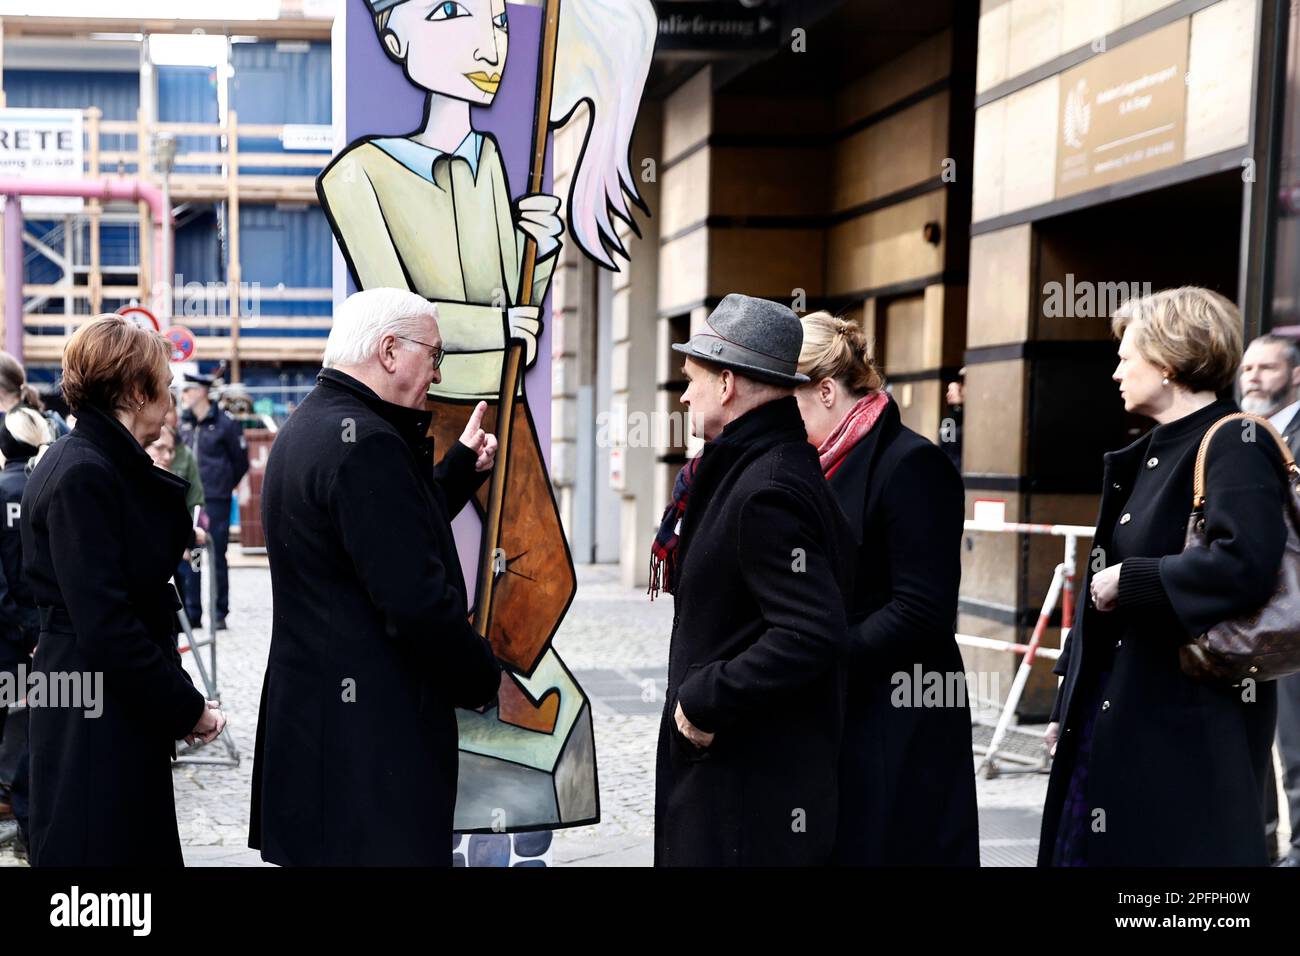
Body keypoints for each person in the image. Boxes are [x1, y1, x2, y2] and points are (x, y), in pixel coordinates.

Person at [249, 288, 502, 866]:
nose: (436, 374)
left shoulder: (313, 424)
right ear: (390, 350)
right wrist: (482, 675)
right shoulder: (367, 443)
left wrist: (459, 469)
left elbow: (385, 537)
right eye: (434, 356)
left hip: (321, 738)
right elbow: (415, 601)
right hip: (367, 749)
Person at [1040, 287, 1286, 867]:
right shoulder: (1148, 452)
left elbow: (1246, 564)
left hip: (1188, 724)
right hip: (1118, 712)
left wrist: (1134, 580)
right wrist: (1065, 702)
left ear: (1170, 362)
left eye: (1128, 355)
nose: (1116, 370)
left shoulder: (1234, 441)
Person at [652, 294, 856, 867]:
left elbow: (812, 633)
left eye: (691, 379)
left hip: (747, 793)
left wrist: (704, 699)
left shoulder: (766, 487)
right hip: (735, 784)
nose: (684, 394)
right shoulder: (748, 468)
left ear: (727, 383)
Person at [21, 315, 225, 866]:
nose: (171, 400)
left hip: (99, 695)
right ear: (136, 392)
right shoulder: (86, 471)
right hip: (96, 705)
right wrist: (187, 708)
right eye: (163, 385)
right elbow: (107, 622)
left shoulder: (88, 460)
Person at [793, 312, 979, 866]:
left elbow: (922, 609)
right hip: (846, 710)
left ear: (826, 391)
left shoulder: (912, 463)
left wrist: (821, 654)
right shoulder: (817, 462)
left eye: (790, 399)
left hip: (900, 717)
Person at [1239, 332, 1300, 867]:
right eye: (1248, 366)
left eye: (1266, 367)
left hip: (1294, 613)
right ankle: (1256, 850)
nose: (1253, 376)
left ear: (1296, 375)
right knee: (1251, 747)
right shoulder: (1237, 435)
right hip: (1247, 621)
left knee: (1298, 750)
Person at [0, 407, 54, 850]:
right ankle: (31, 822)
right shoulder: (46, 484)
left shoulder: (2, 491)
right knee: (43, 725)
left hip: (8, 631)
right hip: (47, 630)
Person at [179, 372, 248, 631]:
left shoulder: (224, 424)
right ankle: (193, 612)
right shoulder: (184, 423)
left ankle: (219, 612)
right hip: (191, 501)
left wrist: (223, 484)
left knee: (218, 555)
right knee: (193, 555)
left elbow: (239, 461)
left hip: (216, 499)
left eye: (188, 390)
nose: (184, 395)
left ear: (201, 392)